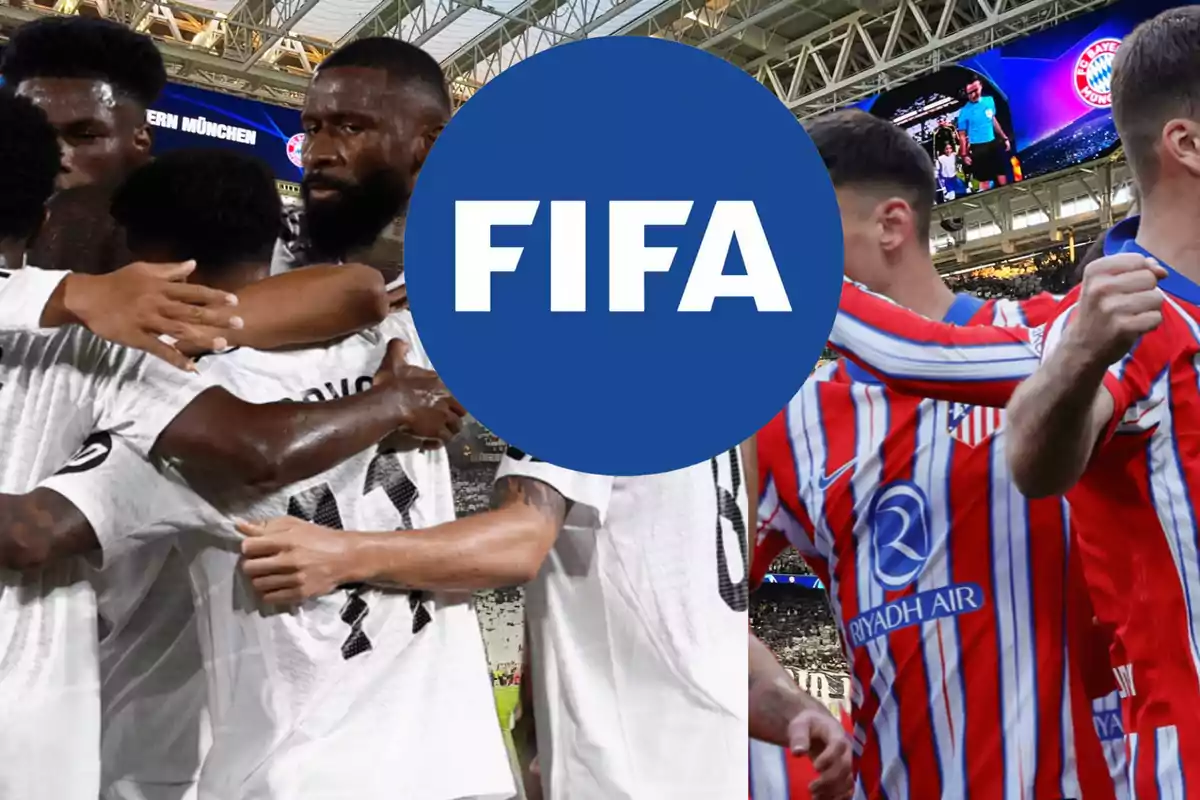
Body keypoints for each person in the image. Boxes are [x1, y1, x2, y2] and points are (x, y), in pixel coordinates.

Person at [0, 96, 466, 800]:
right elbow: (360, 291)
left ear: (140, 255)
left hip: (164, 762)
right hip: (432, 756)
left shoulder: (163, 388)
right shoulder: (398, 348)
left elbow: (36, 531)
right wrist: (390, 401)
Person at [755, 108, 1120, 799]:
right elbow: (704, 606)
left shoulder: (1054, 339)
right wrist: (791, 701)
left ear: (891, 225)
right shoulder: (788, 424)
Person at [232, 434, 761, 799]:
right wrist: (777, 690)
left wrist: (341, 554)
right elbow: (691, 594)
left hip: (624, 773)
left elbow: (521, 541)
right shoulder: (733, 410)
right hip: (711, 763)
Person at [274, 37, 450, 283]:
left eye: (351, 128)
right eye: (313, 129)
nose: (316, 154)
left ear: (431, 144)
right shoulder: (259, 238)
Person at [957, 79, 1010, 189]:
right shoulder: (964, 112)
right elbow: (962, 136)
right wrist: (964, 154)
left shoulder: (989, 101)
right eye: (969, 93)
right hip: (978, 149)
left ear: (981, 87)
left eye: (975, 90)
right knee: (984, 180)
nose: (973, 95)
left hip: (993, 143)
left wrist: (1004, 138)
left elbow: (993, 120)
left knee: (1001, 173)